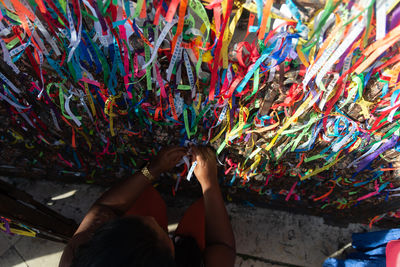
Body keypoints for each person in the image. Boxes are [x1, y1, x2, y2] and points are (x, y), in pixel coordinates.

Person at [59, 146, 236, 267]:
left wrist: (152, 170)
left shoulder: (78, 258)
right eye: (161, 232)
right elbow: (223, 246)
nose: (151, 219)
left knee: (143, 197)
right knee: (202, 213)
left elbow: (105, 207)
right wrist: (209, 182)